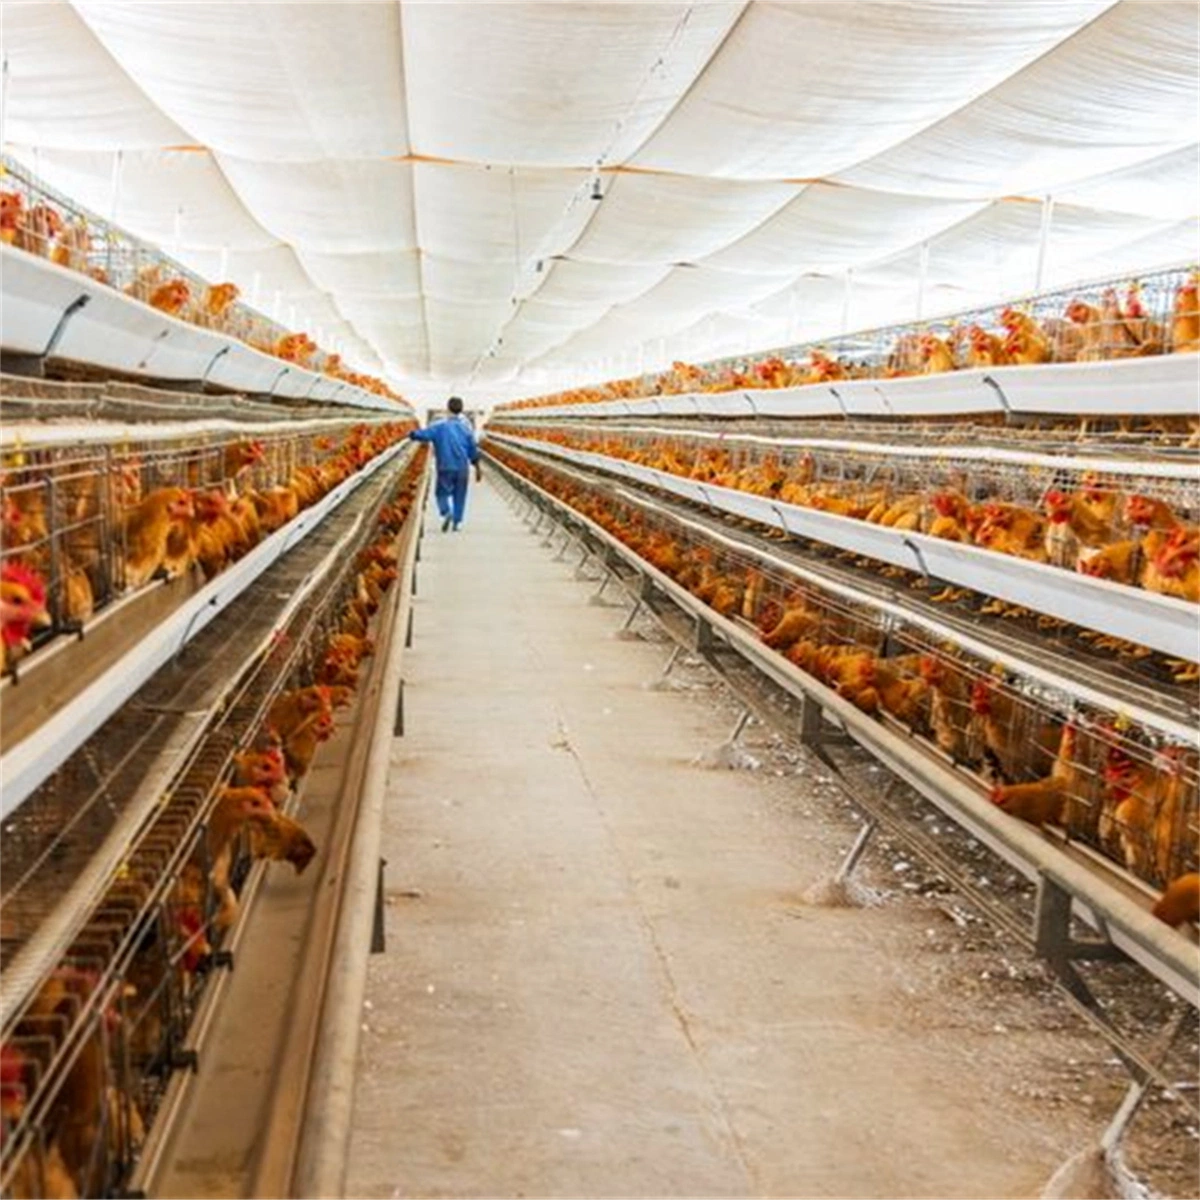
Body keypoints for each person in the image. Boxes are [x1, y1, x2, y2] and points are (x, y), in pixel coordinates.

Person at [409, 396, 482, 531]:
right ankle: (457, 522)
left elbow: (423, 435)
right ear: (461, 410)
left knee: (441, 493)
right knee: (460, 495)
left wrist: (411, 433)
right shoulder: (466, 429)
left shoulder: (440, 427)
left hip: (445, 466)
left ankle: (446, 512)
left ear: (447, 409)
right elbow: (473, 449)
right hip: (462, 468)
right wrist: (477, 468)